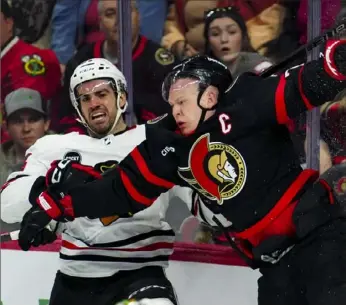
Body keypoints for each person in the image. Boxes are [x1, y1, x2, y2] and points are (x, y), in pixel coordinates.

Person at [15, 39, 346, 304]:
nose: (174, 111)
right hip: (273, 262)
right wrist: (53, 205)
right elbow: (116, 191)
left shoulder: (249, 100)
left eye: (182, 102)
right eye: (171, 104)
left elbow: (305, 84)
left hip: (319, 237)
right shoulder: (168, 145)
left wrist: (336, 60)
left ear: (211, 95)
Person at [0, 58, 179, 305]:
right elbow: (7, 202)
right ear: (77, 108)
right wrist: (47, 192)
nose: (94, 103)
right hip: (74, 280)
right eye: (85, 99)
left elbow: (205, 203)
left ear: (122, 98)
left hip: (140, 275)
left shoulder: (154, 140)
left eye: (102, 94)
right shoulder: (55, 147)